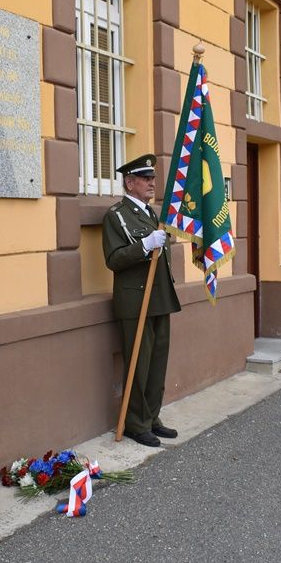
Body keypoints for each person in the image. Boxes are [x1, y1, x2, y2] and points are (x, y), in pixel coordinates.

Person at [102, 154, 182, 447]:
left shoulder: (152, 214)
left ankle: (152, 417)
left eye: (152, 178)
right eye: (146, 179)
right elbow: (113, 259)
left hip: (160, 297)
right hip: (136, 301)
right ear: (130, 182)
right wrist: (144, 245)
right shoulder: (116, 215)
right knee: (140, 363)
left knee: (157, 365)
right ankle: (136, 422)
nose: (152, 183)